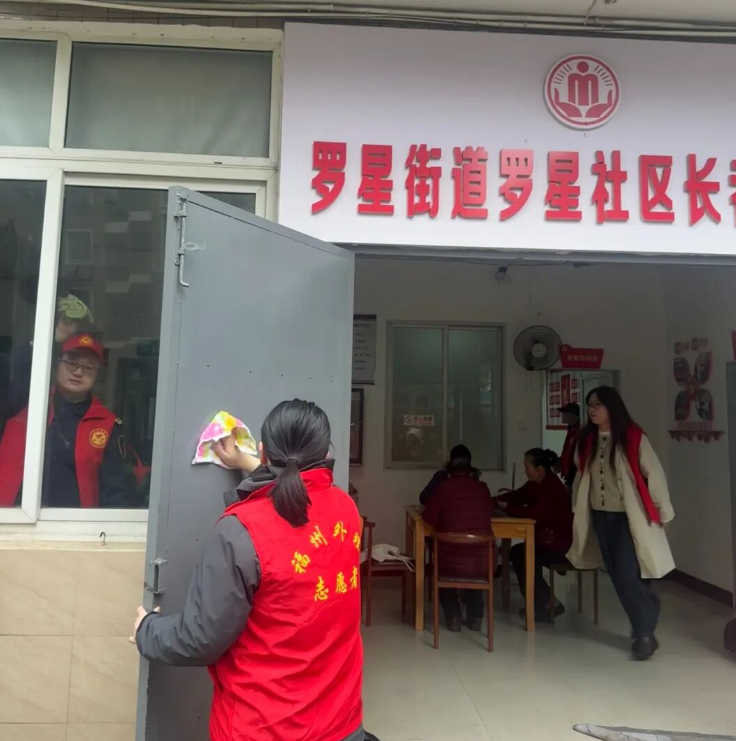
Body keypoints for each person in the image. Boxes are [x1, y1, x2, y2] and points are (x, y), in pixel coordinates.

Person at [132, 400, 365, 741]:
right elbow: (302, 497)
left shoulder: (241, 530)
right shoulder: (346, 510)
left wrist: (147, 630)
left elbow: (200, 639)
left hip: (266, 729)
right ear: (326, 451)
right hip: (341, 724)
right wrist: (248, 464)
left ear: (264, 449)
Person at [567, 386, 675, 661]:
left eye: (598, 405)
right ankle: (643, 629)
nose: (592, 410)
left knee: (628, 574)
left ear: (611, 407)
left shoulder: (632, 436)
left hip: (628, 517)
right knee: (617, 574)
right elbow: (581, 475)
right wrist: (576, 507)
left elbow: (654, 474)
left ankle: (645, 631)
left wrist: (663, 511)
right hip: (600, 516)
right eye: (590, 405)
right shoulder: (586, 439)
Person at [0, 333, 130, 508]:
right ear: (57, 364)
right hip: (15, 518)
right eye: (71, 362)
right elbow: (15, 366)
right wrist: (54, 333)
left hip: (74, 522)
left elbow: (115, 493)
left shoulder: (107, 425)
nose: (78, 372)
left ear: (97, 375)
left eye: (88, 367)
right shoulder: (26, 405)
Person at [422, 445, 495, 633]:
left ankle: (453, 617)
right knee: (474, 563)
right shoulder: (482, 488)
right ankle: (476, 617)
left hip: (450, 561)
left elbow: (428, 518)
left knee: (442, 562)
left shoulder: (443, 488)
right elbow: (490, 511)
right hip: (483, 562)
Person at [496, 449, 573, 622]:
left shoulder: (551, 487)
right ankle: (542, 602)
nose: (525, 471)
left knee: (522, 554)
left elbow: (533, 513)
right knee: (520, 553)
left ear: (539, 469)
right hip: (544, 541)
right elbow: (517, 496)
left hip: (558, 545)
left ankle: (545, 603)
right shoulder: (537, 484)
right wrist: (493, 501)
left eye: (527, 467)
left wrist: (506, 508)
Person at [558, 402, 581, 489]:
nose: (562, 416)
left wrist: (569, 480)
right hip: (569, 475)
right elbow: (567, 452)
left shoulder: (579, 431)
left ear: (571, 414)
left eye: (565, 413)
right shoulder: (571, 430)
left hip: (574, 476)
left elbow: (576, 456)